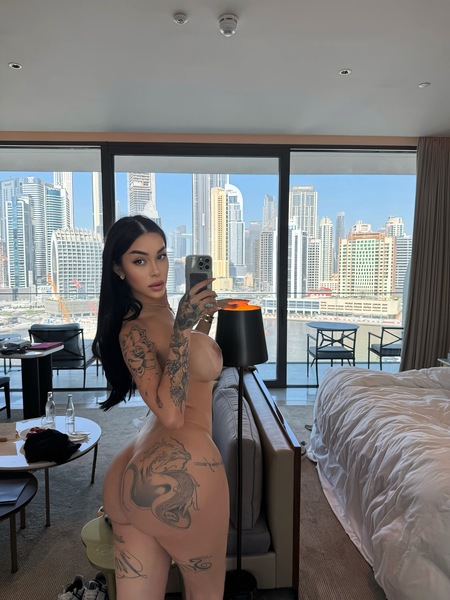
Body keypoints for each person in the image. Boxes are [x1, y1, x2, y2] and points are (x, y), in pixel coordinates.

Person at [93, 215, 232, 600]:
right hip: (183, 469)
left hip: (132, 474)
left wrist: (199, 324)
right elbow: (171, 414)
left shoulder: (161, 315)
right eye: (139, 260)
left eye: (161, 255)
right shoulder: (134, 328)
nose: (155, 270)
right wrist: (184, 330)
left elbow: (180, 375)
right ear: (118, 268)